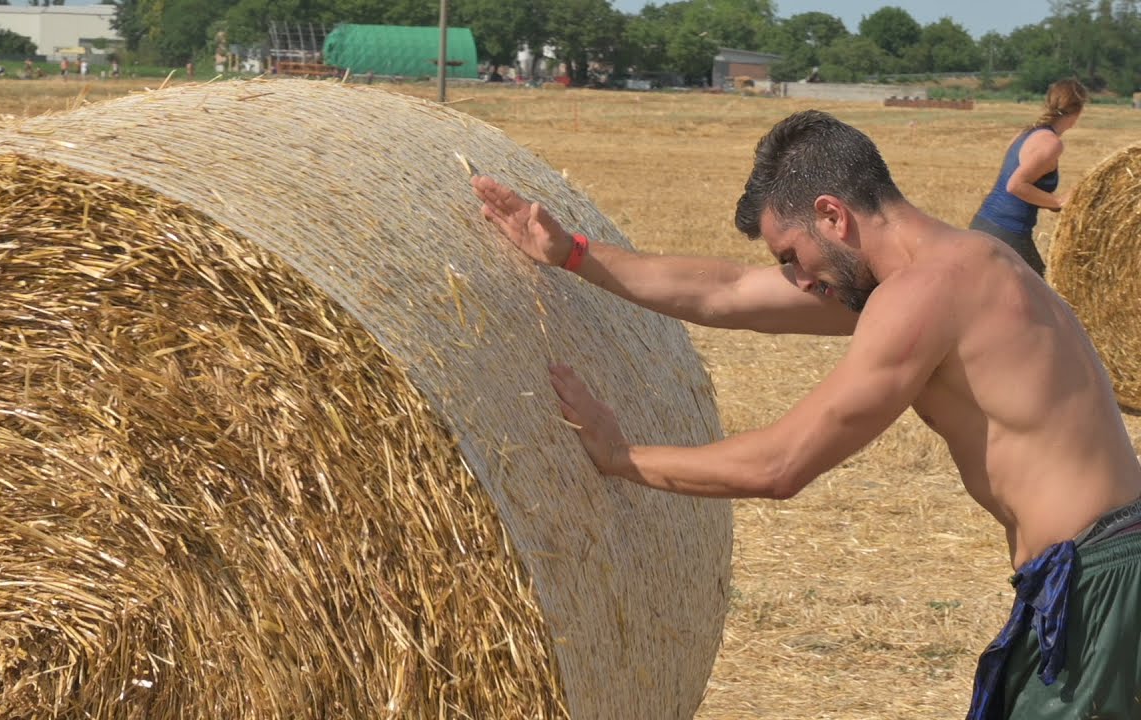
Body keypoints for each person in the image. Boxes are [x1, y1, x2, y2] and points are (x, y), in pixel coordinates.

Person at [472, 109, 1141, 719]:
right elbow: (727, 292)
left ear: (833, 215)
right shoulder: (959, 263)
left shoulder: (926, 294)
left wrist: (623, 459)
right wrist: (571, 253)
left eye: (791, 256)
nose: (798, 279)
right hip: (1098, 572)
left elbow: (782, 464)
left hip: (1098, 584)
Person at [969, 78, 1088, 277]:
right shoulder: (1051, 143)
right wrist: (1057, 201)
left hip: (983, 224)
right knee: (1047, 298)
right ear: (1078, 111)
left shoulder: (1027, 133)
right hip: (1008, 232)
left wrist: (1053, 203)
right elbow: (1015, 185)